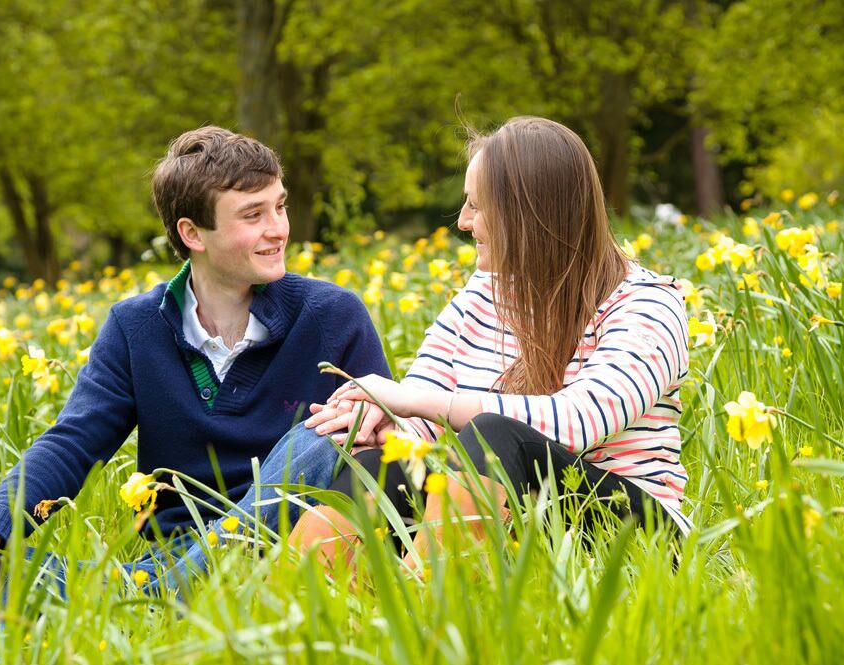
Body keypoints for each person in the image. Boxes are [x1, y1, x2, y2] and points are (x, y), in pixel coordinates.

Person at [0, 126, 390, 607]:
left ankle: (170, 591)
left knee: (321, 437)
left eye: (279, 206)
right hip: (168, 558)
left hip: (294, 557)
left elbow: (384, 454)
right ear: (192, 233)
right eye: (253, 215)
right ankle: (174, 586)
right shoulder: (136, 327)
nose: (278, 228)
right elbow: (73, 442)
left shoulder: (333, 315)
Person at [293, 117, 691, 563]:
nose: (463, 222)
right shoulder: (482, 294)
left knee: (495, 435)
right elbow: (419, 406)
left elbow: (581, 420)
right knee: (380, 465)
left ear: (530, 214)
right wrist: (382, 420)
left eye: (476, 206)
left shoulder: (646, 305)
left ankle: (423, 611)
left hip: (634, 536)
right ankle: (301, 606)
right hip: (517, 515)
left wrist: (410, 403)